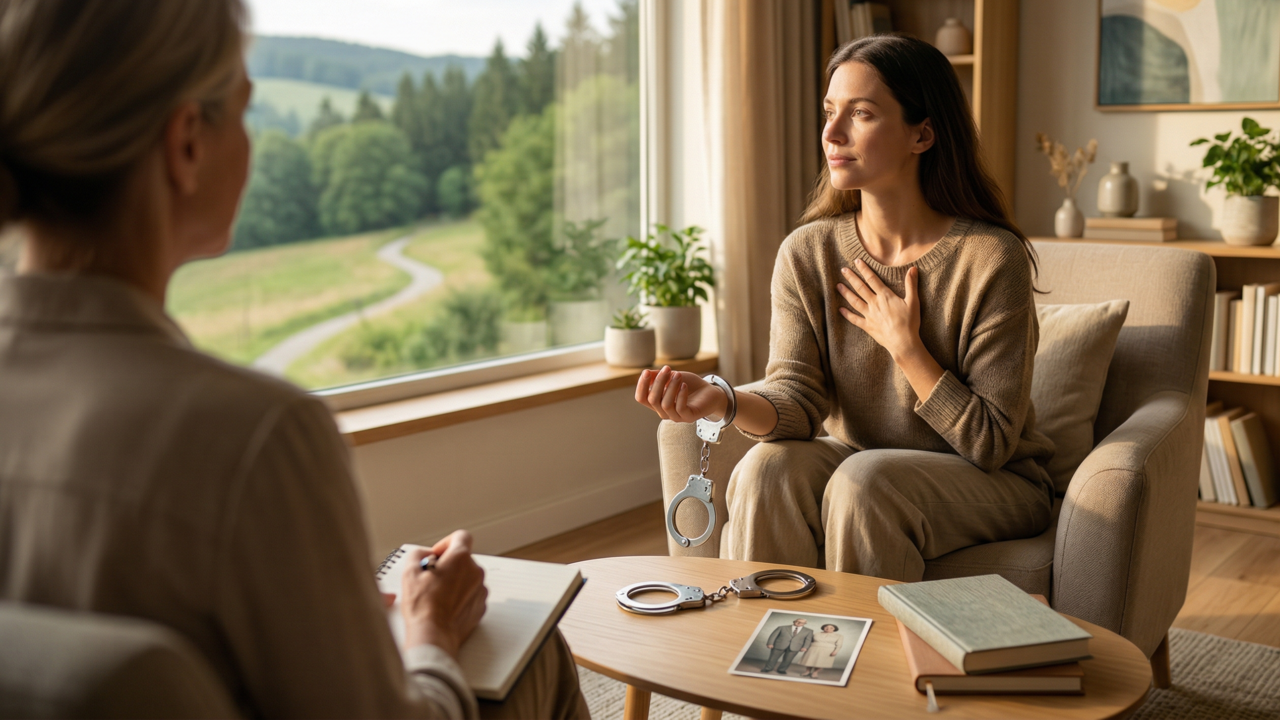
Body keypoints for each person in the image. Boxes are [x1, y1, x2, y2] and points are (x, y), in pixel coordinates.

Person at [0, 1, 588, 718]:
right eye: (244, 111)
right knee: (537, 653)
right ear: (187, 143)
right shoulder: (256, 437)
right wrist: (431, 626)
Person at [635, 34, 1054, 580]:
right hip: (861, 460)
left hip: (993, 481)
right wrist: (723, 400)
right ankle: (763, 633)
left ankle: (863, 639)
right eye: (830, 112)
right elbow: (797, 399)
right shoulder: (808, 253)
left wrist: (906, 347)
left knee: (866, 481)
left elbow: (990, 442)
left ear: (922, 134)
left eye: (861, 114)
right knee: (767, 468)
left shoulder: (991, 258)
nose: (832, 134)